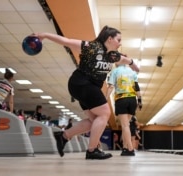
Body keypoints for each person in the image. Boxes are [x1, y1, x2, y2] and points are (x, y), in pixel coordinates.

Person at [33, 25, 139, 160]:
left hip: (84, 87)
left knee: (94, 120)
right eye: (119, 40)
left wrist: (134, 65)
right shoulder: (90, 47)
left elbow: (127, 60)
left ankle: (64, 136)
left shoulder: (112, 56)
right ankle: (92, 150)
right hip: (81, 83)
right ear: (110, 38)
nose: (120, 43)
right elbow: (66, 41)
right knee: (105, 113)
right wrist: (44, 35)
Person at [106, 63, 142, 156]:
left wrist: (105, 98)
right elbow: (137, 87)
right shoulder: (132, 72)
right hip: (132, 100)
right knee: (127, 125)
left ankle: (130, 149)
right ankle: (125, 147)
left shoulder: (115, 71)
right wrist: (140, 101)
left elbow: (110, 87)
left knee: (125, 126)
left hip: (121, 99)